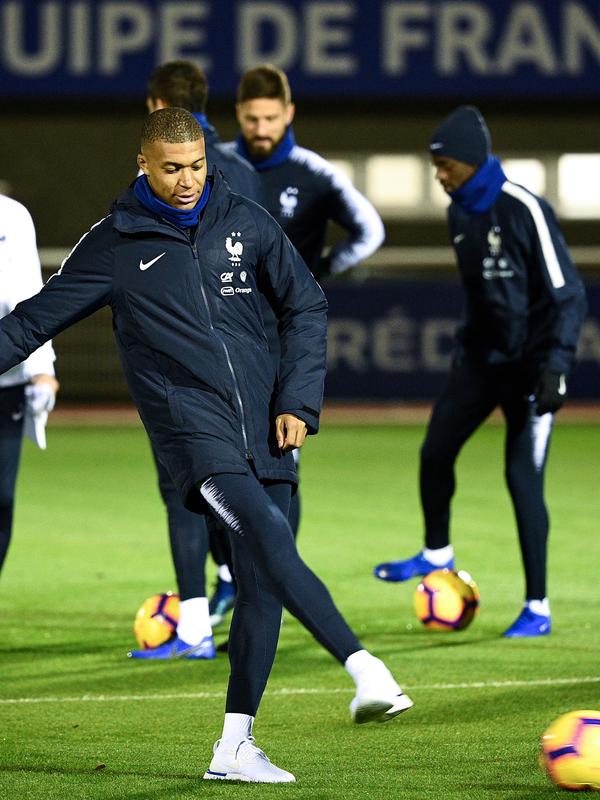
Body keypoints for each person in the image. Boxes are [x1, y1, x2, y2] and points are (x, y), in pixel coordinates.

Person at [0, 108, 413, 782]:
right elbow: (28, 325)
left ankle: (234, 748)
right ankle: (365, 668)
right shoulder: (112, 245)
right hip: (192, 428)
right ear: (144, 166)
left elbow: (306, 305)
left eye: (196, 166)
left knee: (260, 582)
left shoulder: (245, 221)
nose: (188, 180)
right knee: (270, 533)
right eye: (171, 169)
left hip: (269, 423)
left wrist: (298, 400)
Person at [374, 106, 587, 638]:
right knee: (435, 453)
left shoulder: (524, 208)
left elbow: (569, 293)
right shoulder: (459, 212)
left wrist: (556, 365)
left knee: (522, 481)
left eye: (445, 166)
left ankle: (537, 606)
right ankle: (436, 552)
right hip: (480, 363)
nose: (439, 176)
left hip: (533, 370)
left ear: (470, 160)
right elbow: (485, 295)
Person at [129, 61, 265, 659]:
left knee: (182, 489)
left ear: (156, 102)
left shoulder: (162, 172)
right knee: (238, 492)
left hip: (182, 365)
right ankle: (240, 610)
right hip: (245, 361)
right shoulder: (239, 172)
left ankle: (193, 632)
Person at [232, 63, 385, 539]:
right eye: (252, 119)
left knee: (279, 461)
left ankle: (277, 580)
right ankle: (229, 578)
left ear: (289, 113)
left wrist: (317, 272)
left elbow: (371, 230)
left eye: (270, 118)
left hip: (282, 338)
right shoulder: (213, 166)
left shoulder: (314, 173)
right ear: (239, 114)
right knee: (220, 460)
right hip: (226, 331)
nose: (261, 129)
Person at [0, 193, 58, 576]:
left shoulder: (12, 216)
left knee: (1, 499)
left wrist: (42, 367)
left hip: (8, 378)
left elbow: (29, 293)